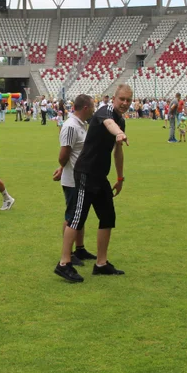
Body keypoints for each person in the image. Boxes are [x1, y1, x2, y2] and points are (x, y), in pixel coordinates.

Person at [54, 84, 132, 282]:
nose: (124, 103)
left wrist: (120, 178)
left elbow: (118, 152)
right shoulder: (105, 112)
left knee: (108, 217)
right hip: (86, 173)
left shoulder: (121, 120)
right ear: (114, 98)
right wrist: (118, 133)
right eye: (121, 99)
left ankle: (101, 263)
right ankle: (64, 263)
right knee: (77, 217)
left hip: (100, 176)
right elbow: (108, 124)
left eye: (128, 100)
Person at [53, 94, 96, 267]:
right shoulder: (71, 126)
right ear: (85, 108)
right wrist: (62, 167)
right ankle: (68, 253)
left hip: (79, 177)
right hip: (72, 179)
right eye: (92, 106)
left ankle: (79, 249)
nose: (94, 109)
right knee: (72, 216)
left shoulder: (80, 125)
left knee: (79, 216)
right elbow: (64, 154)